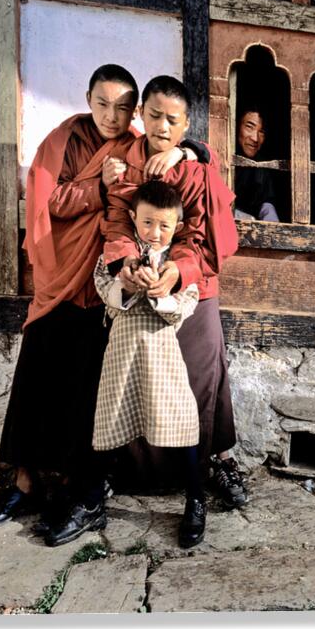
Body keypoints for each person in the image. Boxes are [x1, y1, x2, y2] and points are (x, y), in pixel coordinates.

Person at [0, 64, 198, 532]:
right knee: (35, 373)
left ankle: (77, 490)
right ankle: (23, 482)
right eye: (102, 104)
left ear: (135, 111)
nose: (111, 116)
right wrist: (99, 186)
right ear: (87, 99)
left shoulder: (138, 147)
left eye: (122, 107)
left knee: (86, 391)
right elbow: (49, 200)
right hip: (60, 278)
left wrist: (188, 150)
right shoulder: (64, 141)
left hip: (108, 285)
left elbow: (184, 162)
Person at [101, 75, 248, 516]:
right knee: (136, 377)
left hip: (193, 287)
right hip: (139, 287)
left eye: (173, 120)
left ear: (186, 125)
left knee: (202, 379)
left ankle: (216, 466)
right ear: (141, 114)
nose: (162, 127)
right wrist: (127, 264)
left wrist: (176, 273)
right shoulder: (121, 162)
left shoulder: (194, 165)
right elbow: (116, 224)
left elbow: (199, 236)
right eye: (154, 116)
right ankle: (127, 471)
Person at [90, 181, 206, 547]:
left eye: (164, 226)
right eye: (147, 223)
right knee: (109, 422)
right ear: (133, 219)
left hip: (163, 355)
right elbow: (102, 290)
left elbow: (186, 305)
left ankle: (196, 499)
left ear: (178, 227)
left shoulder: (179, 263)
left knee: (182, 423)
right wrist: (125, 284)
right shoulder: (117, 254)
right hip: (122, 352)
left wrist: (161, 293)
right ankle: (92, 497)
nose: (155, 233)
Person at [233, 107, 280, 222]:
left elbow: (266, 203)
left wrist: (272, 223)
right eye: (249, 127)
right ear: (236, 126)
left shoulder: (261, 166)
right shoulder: (219, 156)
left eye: (261, 132)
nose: (255, 138)